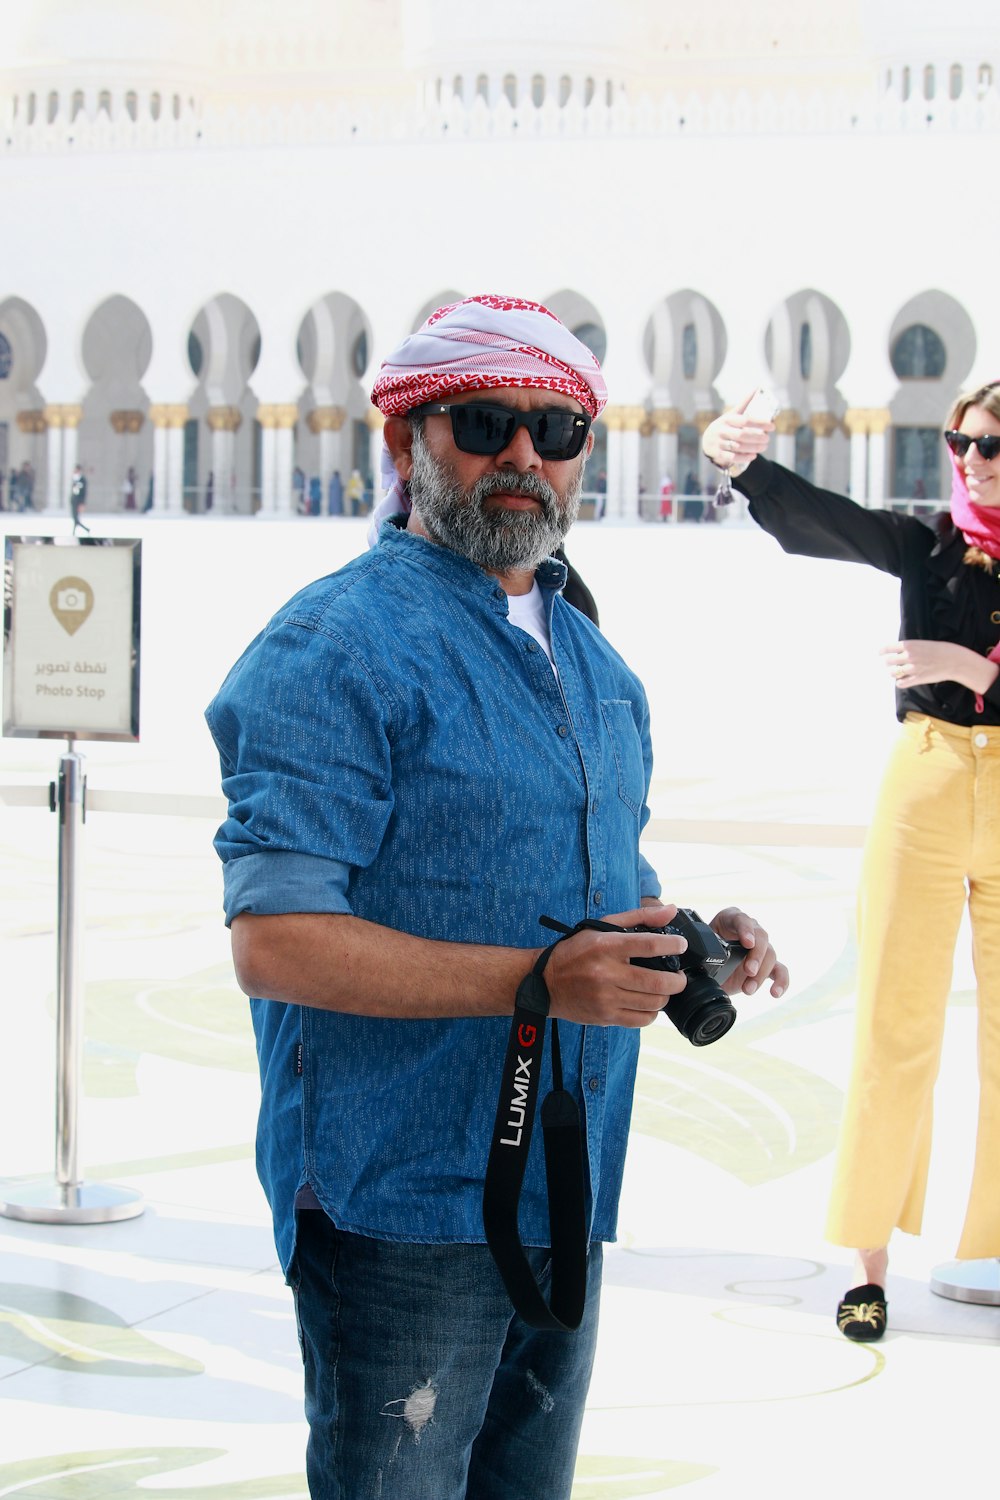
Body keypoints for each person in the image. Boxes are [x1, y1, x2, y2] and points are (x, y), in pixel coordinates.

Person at [207, 294, 787, 1500]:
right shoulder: (333, 647)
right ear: (405, 443)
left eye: (556, 430)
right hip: (404, 1198)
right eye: (483, 421)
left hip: (561, 1179)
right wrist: (532, 983)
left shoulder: (590, 654)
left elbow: (588, 884)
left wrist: (686, 942)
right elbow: (274, 940)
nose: (523, 455)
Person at [702, 381, 1000, 1343]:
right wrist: (741, 464)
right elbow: (824, 524)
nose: (974, 460)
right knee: (895, 1020)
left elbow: (970, 671)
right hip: (925, 783)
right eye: (962, 441)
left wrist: (974, 672)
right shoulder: (928, 544)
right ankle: (867, 1264)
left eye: (994, 444)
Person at [69, 463, 89, 533]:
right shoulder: (75, 479)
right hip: (73, 500)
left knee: (76, 518)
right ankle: (74, 531)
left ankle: (85, 529)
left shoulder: (82, 480)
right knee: (75, 517)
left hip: (78, 501)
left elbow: (83, 492)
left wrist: (82, 503)